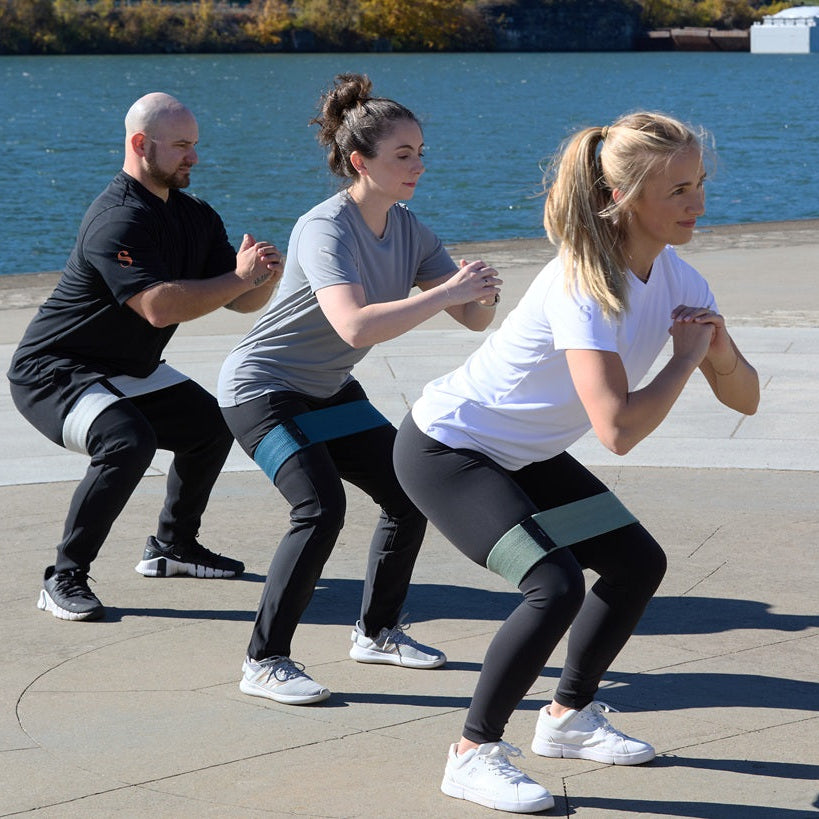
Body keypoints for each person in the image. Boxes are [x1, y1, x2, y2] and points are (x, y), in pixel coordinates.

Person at [393, 111, 760, 813]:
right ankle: (471, 753)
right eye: (677, 190)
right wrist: (683, 362)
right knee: (552, 584)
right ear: (620, 198)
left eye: (699, 182)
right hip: (447, 448)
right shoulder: (583, 286)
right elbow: (616, 430)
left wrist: (716, 353)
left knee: (634, 562)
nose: (698, 203)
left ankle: (566, 718)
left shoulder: (681, 279)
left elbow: (742, 398)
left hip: (524, 454)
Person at [217, 73, 502, 705]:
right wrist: (447, 292)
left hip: (326, 388)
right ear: (359, 162)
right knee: (319, 508)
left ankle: (377, 633)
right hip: (259, 391)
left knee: (408, 493)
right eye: (403, 156)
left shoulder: (407, 227)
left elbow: (471, 318)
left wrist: (477, 292)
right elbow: (353, 322)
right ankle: (264, 661)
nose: (418, 166)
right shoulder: (325, 228)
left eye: (421, 153)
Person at [8, 92, 283, 622]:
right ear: (141, 144)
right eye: (181, 146)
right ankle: (64, 576)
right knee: (126, 441)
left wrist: (261, 278)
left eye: (195, 145)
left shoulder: (195, 215)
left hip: (126, 369)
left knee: (210, 426)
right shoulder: (116, 219)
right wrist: (238, 278)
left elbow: (238, 297)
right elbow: (158, 307)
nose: (194, 158)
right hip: (55, 371)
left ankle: (173, 548)